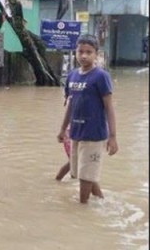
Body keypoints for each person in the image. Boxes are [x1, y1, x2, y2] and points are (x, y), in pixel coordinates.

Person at [57, 34, 118, 203]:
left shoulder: (101, 76)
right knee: (82, 173)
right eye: (80, 51)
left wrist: (113, 136)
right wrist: (63, 129)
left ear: (96, 54)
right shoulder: (72, 76)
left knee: (85, 176)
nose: (84, 55)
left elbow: (109, 107)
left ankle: (82, 208)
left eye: (89, 52)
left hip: (94, 134)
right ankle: (102, 202)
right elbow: (70, 105)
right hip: (76, 133)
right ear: (75, 52)